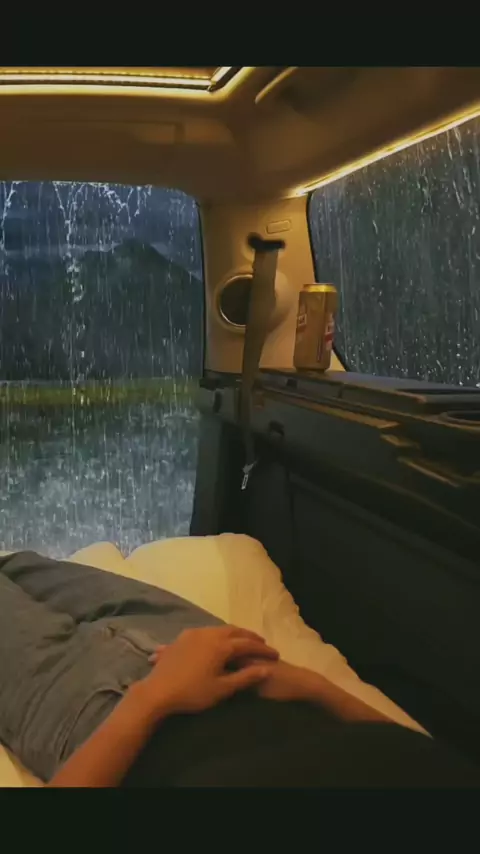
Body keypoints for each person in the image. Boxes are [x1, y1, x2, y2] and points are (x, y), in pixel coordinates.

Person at [48, 626, 480, 788]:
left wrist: (152, 698)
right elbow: (418, 760)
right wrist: (316, 688)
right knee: (37, 567)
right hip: (232, 667)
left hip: (106, 727)